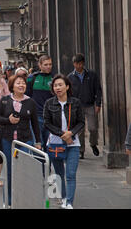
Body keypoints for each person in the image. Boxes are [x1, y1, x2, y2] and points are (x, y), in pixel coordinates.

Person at [0, 74, 42, 206]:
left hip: (25, 140)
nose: (21, 85)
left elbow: (35, 124)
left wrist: (38, 142)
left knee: (24, 170)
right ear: (12, 86)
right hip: (7, 140)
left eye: (23, 83)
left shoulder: (30, 102)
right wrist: (8, 120)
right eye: (18, 83)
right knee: (9, 171)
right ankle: (8, 201)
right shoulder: (4, 100)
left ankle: (23, 199)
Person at [43, 74, 85, 209]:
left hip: (73, 143)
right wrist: (62, 134)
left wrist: (71, 134)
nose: (58, 88)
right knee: (59, 173)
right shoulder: (49, 103)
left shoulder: (76, 102)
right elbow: (47, 123)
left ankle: (69, 202)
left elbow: (81, 122)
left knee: (71, 174)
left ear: (67, 87)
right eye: (55, 85)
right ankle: (63, 197)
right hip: (55, 143)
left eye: (60, 85)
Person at [67, 53, 102, 159]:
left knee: (93, 127)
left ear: (83, 63)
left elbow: (98, 89)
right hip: (77, 106)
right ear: (74, 64)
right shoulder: (70, 77)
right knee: (79, 130)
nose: (78, 66)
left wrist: (98, 103)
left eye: (80, 64)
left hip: (90, 104)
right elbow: (68, 93)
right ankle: (81, 150)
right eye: (76, 64)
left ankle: (93, 143)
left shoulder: (91, 75)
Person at [26, 55, 53, 152]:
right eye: (46, 64)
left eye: (50, 64)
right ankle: (41, 167)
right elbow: (27, 96)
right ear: (40, 65)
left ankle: (47, 167)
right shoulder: (32, 78)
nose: (48, 67)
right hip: (36, 117)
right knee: (38, 146)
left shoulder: (55, 78)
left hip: (51, 117)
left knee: (50, 146)